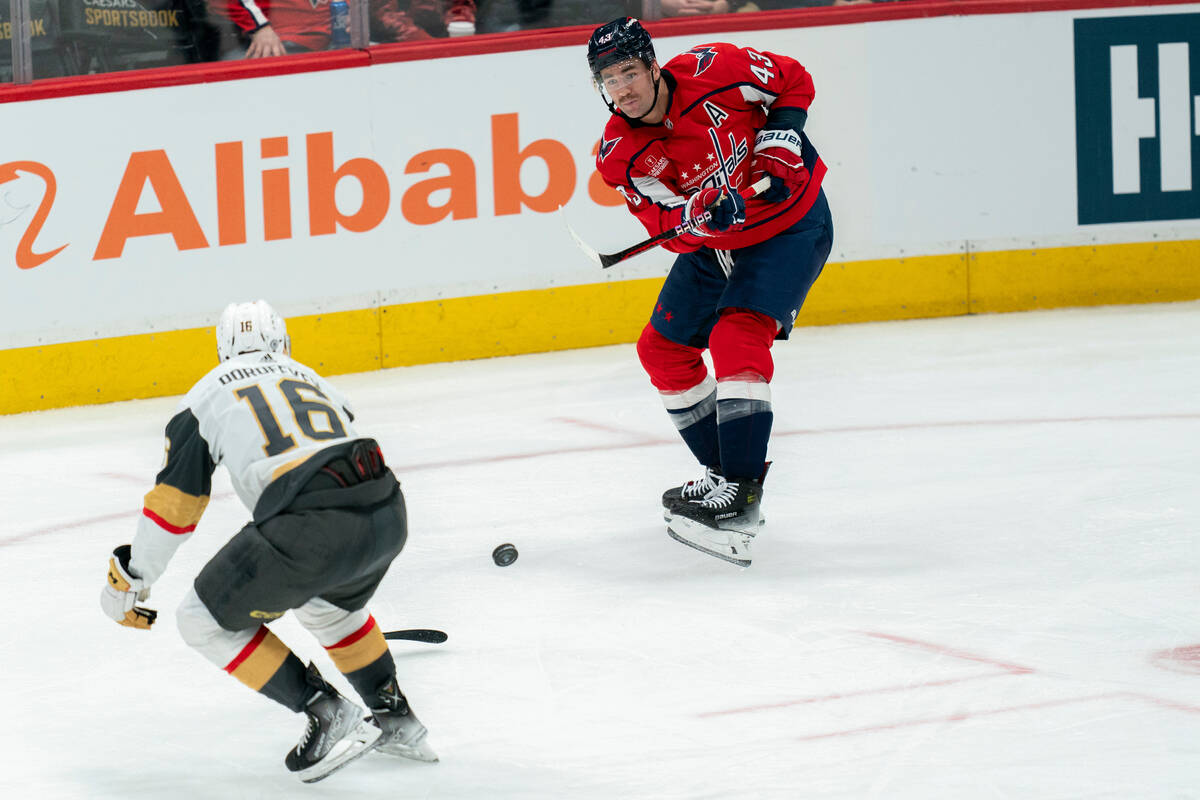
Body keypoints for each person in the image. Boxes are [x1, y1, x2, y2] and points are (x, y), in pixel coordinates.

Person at [99, 300, 437, 783]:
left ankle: (324, 709)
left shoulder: (204, 396)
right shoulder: (310, 376)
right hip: (386, 510)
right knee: (331, 610)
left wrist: (134, 578)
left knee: (201, 621)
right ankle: (397, 717)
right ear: (282, 343)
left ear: (221, 351)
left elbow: (176, 505)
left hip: (310, 524)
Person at [587, 18, 833, 567]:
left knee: (736, 334)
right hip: (717, 245)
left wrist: (782, 136)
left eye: (629, 71)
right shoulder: (618, 154)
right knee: (662, 351)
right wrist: (696, 217)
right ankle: (726, 475)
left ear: (653, 66)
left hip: (789, 227)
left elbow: (793, 80)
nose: (622, 88)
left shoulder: (718, 68)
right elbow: (664, 224)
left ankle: (741, 496)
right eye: (608, 79)